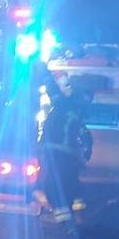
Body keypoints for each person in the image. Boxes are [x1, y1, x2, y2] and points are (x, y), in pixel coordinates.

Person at [36, 73, 89, 225]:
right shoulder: (78, 107)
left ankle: (64, 221)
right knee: (71, 181)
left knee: (53, 183)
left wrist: (43, 72)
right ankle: (78, 214)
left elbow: (53, 91)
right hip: (69, 153)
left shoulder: (64, 104)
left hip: (55, 151)